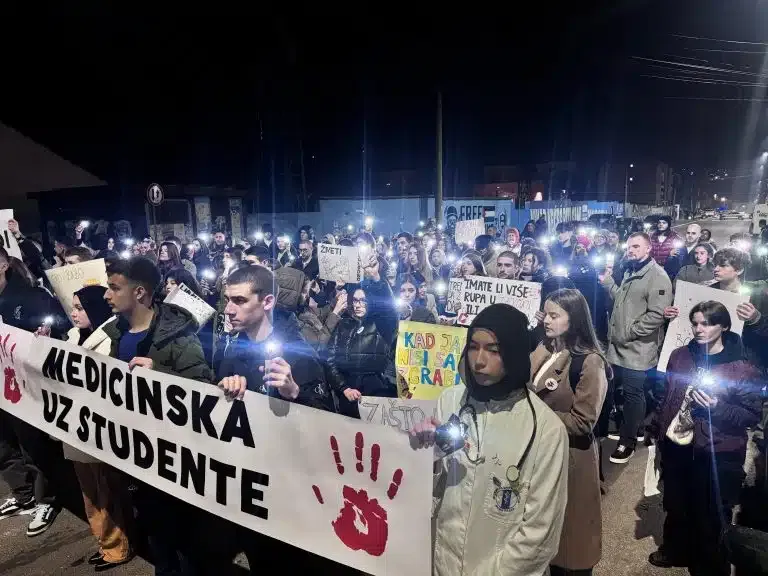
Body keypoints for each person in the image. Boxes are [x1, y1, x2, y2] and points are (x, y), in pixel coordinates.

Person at [410, 304, 569, 575]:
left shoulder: (546, 430)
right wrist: (423, 452)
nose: (479, 360)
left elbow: (540, 534)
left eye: (493, 350)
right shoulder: (450, 400)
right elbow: (433, 492)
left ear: (514, 352)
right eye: (473, 347)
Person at [102, 256, 212, 576]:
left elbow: (202, 388)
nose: (107, 295)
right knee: (154, 529)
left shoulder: (177, 335)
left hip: (175, 455)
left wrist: (159, 373)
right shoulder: (114, 333)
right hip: (138, 453)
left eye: (114, 288)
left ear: (139, 292)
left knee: (185, 536)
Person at [647, 301, 762, 575]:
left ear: (724, 326)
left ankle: (708, 564)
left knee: (709, 511)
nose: (699, 329)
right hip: (677, 444)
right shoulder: (680, 355)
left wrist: (717, 408)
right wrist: (656, 429)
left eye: (707, 323)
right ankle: (676, 549)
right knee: (675, 502)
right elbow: (666, 395)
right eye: (695, 323)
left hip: (716, 450)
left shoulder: (742, 367)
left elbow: (751, 415)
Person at [530, 289, 608, 575]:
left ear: (573, 319)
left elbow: (582, 422)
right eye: (545, 314)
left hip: (571, 462)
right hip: (540, 457)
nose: (546, 320)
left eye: (554, 315)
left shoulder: (590, 361)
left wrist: (533, 413)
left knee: (571, 547)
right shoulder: (545, 347)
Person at [64, 285, 134, 571]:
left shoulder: (109, 341)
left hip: (97, 428)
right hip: (74, 425)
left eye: (80, 308)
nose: (73, 313)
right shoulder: (72, 336)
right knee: (90, 491)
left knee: (107, 490)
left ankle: (118, 546)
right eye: (73, 307)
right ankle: (104, 542)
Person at [0, 247, 67, 537]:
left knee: (32, 445)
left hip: (24, 385)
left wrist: (44, 337)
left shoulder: (31, 297)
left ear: (3, 265)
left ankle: (46, 499)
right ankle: (22, 492)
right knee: (4, 444)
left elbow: (57, 328)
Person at [216, 264, 332, 409]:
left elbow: (325, 416)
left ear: (268, 302)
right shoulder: (232, 349)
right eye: (227, 300)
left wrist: (294, 393)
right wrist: (223, 390)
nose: (228, 310)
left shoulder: (301, 355)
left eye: (239, 300)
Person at [600, 232, 672, 464]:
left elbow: (657, 315)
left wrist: (629, 332)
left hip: (638, 349)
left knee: (633, 394)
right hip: (620, 347)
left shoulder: (657, 276)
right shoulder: (630, 271)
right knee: (623, 392)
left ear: (648, 248)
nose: (630, 250)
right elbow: (621, 301)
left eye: (636, 246)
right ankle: (635, 427)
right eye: (629, 246)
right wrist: (608, 283)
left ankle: (628, 442)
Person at [327, 284, 396, 416]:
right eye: (355, 300)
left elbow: (390, 310)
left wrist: (377, 279)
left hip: (376, 391)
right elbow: (330, 360)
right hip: (348, 393)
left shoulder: (382, 324)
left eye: (363, 300)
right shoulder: (342, 325)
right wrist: (344, 388)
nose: (358, 305)